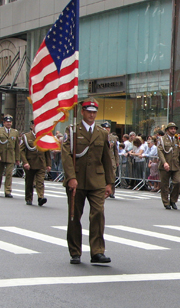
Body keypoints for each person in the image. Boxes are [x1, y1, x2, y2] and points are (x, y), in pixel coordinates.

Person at [62, 100, 115, 265]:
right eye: (88, 111)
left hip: (97, 180)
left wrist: (110, 183)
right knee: (74, 216)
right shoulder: (72, 131)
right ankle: (75, 251)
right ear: (82, 112)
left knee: (98, 214)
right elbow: (66, 155)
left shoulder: (102, 133)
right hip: (77, 180)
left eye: (94, 112)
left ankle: (97, 251)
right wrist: (71, 177)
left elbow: (107, 159)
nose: (92, 115)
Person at [20, 121, 51, 206]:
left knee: (40, 181)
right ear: (32, 126)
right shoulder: (26, 136)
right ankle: (29, 198)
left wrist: (48, 164)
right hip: (30, 163)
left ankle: (40, 197)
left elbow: (47, 152)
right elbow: (21, 151)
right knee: (29, 182)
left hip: (41, 162)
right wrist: (25, 162)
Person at [157, 122, 180, 210]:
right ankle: (166, 202)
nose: (173, 130)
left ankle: (173, 200)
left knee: (177, 182)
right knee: (164, 185)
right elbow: (160, 152)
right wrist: (164, 163)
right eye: (171, 129)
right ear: (167, 130)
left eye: (174, 129)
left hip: (176, 165)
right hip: (166, 165)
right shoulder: (162, 139)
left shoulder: (177, 140)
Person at [0, 114, 20, 198]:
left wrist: (17, 158)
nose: (9, 123)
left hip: (10, 156)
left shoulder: (15, 132)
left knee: (9, 174)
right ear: (4, 123)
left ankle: (7, 191)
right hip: (0, 156)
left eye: (10, 122)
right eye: (7, 122)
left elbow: (17, 146)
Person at [100, 122, 119, 198]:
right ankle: (103, 190)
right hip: (102, 159)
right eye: (105, 128)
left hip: (111, 160)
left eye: (108, 128)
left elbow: (116, 151)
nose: (107, 129)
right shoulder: (99, 136)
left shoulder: (113, 138)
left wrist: (117, 161)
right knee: (103, 176)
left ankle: (111, 191)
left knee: (112, 175)